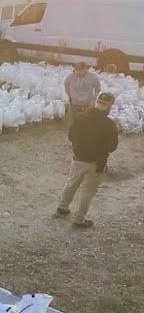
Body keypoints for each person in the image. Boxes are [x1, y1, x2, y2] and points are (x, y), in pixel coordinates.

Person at [56, 92, 118, 227]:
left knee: (71, 183)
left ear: (96, 102)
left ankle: (62, 207)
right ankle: (79, 219)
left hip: (78, 158)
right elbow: (112, 147)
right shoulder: (109, 124)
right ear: (110, 106)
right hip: (96, 163)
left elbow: (70, 136)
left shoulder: (80, 117)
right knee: (88, 191)